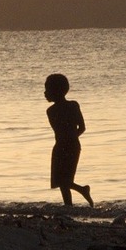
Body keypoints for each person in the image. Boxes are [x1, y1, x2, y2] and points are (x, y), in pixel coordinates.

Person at [44, 73, 92, 207]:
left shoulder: (53, 111)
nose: (45, 93)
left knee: (64, 181)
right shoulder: (68, 107)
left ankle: (81, 191)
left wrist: (69, 140)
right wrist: (72, 138)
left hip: (66, 146)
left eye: (48, 90)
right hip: (66, 146)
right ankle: (69, 205)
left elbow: (80, 127)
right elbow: (81, 128)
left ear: (56, 91)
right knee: (62, 181)